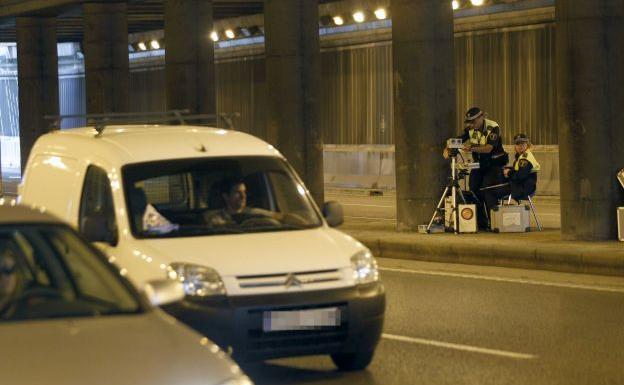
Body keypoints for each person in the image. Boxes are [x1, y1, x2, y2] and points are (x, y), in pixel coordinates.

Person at [445, 107, 508, 227]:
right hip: (479, 164)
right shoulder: (470, 128)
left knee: (487, 190)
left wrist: (471, 148)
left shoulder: (493, 127)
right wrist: (448, 146)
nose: (472, 124)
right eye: (470, 121)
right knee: (474, 189)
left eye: (474, 121)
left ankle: (494, 223)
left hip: (494, 164)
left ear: (482, 117)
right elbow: (459, 139)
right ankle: (481, 222)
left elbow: (489, 148)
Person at [203, 178, 278, 226]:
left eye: (244, 192)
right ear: (226, 196)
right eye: (238, 192)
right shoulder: (213, 216)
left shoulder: (255, 213)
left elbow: (280, 217)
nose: (243, 196)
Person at [490, 133, 540, 203]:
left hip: (523, 188)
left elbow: (520, 176)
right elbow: (519, 171)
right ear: (515, 146)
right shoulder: (521, 156)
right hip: (522, 186)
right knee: (494, 187)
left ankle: (496, 213)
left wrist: (509, 173)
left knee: (491, 192)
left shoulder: (524, 158)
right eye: (517, 144)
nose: (520, 146)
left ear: (527, 144)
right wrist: (510, 170)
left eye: (523, 143)